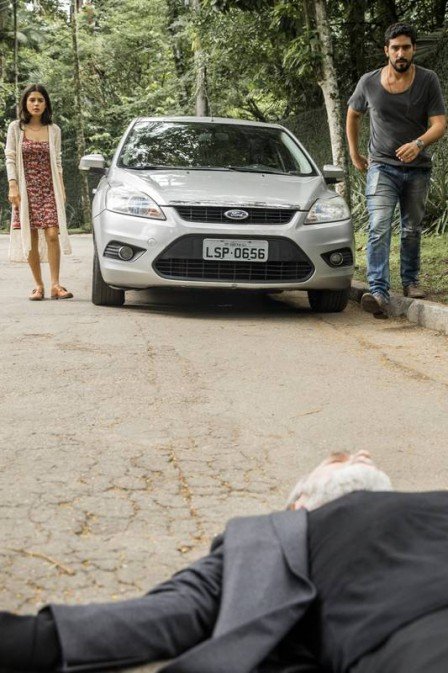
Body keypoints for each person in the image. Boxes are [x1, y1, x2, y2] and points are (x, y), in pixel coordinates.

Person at [4, 449, 448, 673]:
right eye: (334, 459)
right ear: (297, 506)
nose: (357, 454)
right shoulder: (281, 536)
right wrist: (31, 639)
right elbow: (171, 613)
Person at [346, 22, 446, 318]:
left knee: (412, 229)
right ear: (386, 51)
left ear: (413, 49)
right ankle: (377, 291)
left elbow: (439, 124)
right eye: (395, 48)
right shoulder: (369, 82)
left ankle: (411, 281)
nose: (400, 53)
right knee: (378, 226)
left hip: (417, 169)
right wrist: (354, 152)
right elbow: (353, 114)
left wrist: (418, 143)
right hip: (381, 167)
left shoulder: (428, 80)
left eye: (405, 47)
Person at [5, 83, 73, 301]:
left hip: (49, 188)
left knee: (53, 234)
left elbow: (58, 162)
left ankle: (55, 285)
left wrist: (61, 189)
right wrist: (13, 185)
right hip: (26, 190)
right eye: (32, 100)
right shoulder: (16, 128)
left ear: (46, 104)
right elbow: (10, 157)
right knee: (31, 235)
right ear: (25, 103)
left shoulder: (54, 130)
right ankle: (38, 285)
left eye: (40, 100)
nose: (36, 104)